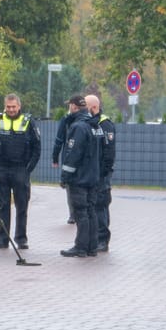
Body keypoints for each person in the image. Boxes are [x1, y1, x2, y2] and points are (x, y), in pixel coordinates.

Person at [0, 92, 42, 250]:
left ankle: (21, 239)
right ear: (5, 106)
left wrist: (28, 169)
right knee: (2, 206)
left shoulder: (28, 121)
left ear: (19, 106)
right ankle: (2, 239)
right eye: (8, 107)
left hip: (20, 169)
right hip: (1, 169)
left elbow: (37, 147)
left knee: (21, 206)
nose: (11, 110)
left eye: (13, 107)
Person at [58, 98, 102, 258]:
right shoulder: (95, 125)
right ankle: (92, 247)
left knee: (81, 212)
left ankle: (81, 247)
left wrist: (65, 177)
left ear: (73, 107)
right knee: (91, 211)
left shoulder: (78, 127)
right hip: (93, 176)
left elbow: (73, 155)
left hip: (80, 178)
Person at [86, 94, 117, 252]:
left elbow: (109, 152)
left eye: (86, 107)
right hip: (90, 173)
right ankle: (93, 238)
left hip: (101, 174)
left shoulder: (105, 125)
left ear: (94, 107)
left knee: (101, 205)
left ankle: (102, 240)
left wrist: (103, 172)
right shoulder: (89, 123)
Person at [51, 94, 85, 224]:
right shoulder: (89, 119)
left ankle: (73, 214)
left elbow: (59, 140)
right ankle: (79, 212)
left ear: (73, 106)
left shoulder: (66, 120)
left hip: (69, 156)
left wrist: (55, 158)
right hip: (84, 161)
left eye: (69, 105)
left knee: (70, 186)